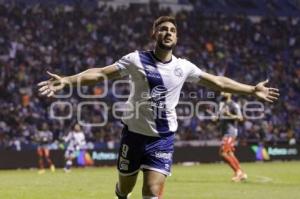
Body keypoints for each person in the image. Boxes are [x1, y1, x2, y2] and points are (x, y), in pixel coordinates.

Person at [38, 16, 279, 199]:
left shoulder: (184, 67)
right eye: (163, 28)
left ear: (177, 38)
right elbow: (101, 73)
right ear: (154, 33)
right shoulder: (135, 59)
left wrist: (251, 90)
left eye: (173, 30)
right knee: (125, 188)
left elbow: (217, 81)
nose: (168, 32)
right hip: (133, 136)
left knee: (152, 190)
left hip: (162, 138)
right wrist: (68, 80)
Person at [218, 92, 246, 182]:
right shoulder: (222, 104)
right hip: (225, 132)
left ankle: (238, 172)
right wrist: (216, 118)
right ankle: (241, 173)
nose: (222, 93)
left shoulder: (234, 105)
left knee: (223, 153)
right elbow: (221, 117)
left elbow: (241, 118)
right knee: (230, 153)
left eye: (224, 91)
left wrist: (230, 115)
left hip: (230, 132)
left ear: (230, 93)